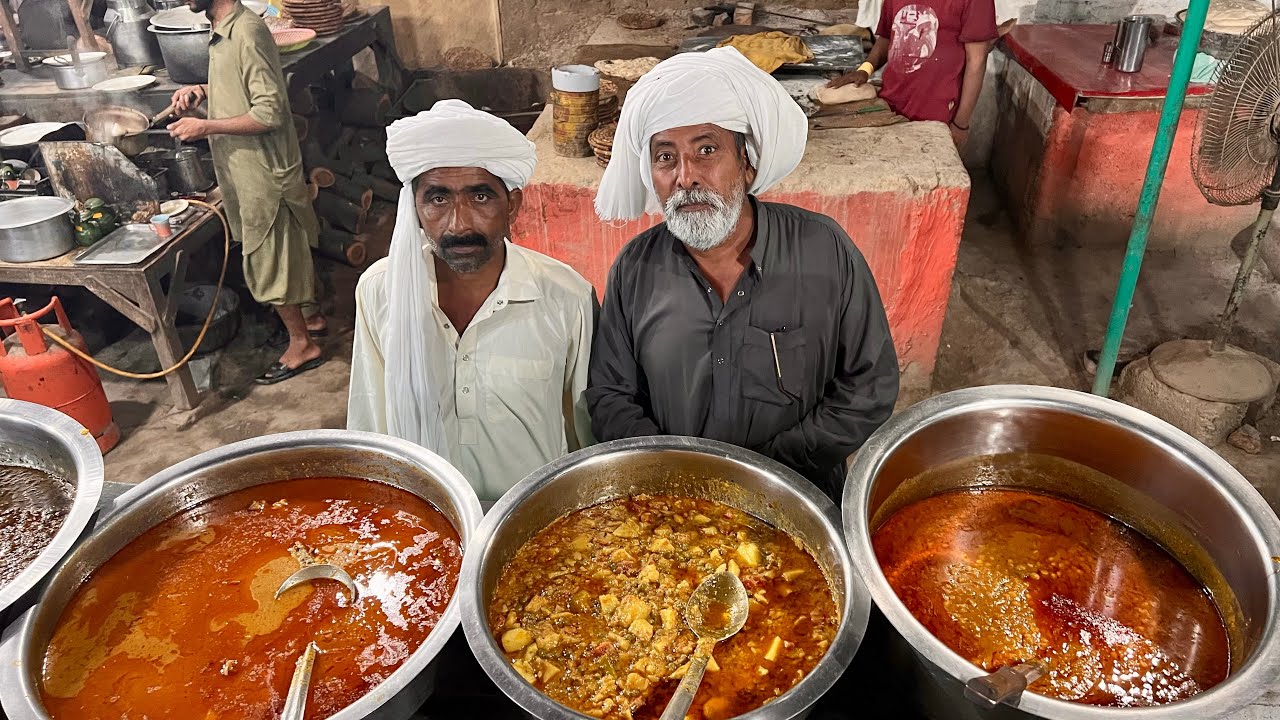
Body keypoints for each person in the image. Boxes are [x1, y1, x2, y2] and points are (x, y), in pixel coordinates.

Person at [588, 47, 900, 499]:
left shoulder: (824, 250)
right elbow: (610, 395)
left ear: (747, 163)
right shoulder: (635, 269)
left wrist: (764, 476)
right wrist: (675, 479)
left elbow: (870, 385)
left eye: (706, 150)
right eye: (665, 158)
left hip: (799, 501)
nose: (685, 177)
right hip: (674, 509)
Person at [347, 100, 596, 502]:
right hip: (427, 517)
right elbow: (370, 417)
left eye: (480, 197)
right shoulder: (380, 290)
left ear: (512, 204)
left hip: (534, 519)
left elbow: (585, 430)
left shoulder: (567, 296)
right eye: (438, 199)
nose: (459, 223)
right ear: (415, 208)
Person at [168, 0, 326, 384]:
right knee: (283, 249)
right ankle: (309, 319)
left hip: (262, 170)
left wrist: (205, 127)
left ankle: (302, 344)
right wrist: (203, 91)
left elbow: (269, 112)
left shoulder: (247, 31)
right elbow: (242, 84)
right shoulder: (222, 30)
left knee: (269, 257)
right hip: (243, 167)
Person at [827, 0, 997, 146]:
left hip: (937, 114)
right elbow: (887, 37)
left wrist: (961, 124)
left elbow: (976, 62)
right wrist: (865, 69)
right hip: (890, 105)